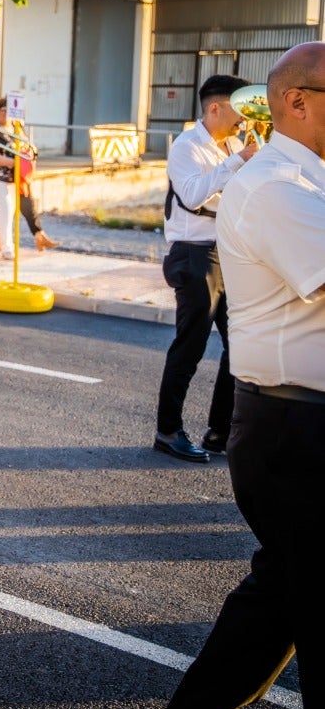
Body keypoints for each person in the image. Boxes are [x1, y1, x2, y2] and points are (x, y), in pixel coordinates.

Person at [154, 42, 325, 709]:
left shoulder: (307, 180)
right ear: (297, 102)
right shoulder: (281, 186)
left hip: (295, 421)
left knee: (279, 599)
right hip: (298, 427)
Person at [151, 75, 255, 463]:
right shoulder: (186, 146)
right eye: (240, 109)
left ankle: (220, 431)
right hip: (193, 253)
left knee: (240, 344)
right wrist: (237, 161)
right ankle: (168, 431)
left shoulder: (231, 143)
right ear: (215, 108)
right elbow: (194, 194)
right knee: (190, 346)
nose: (245, 118)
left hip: (225, 251)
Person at [0, 99, 60, 254]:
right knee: (5, 208)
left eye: (8, 111)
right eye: (2, 110)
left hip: (15, 177)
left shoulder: (16, 128)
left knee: (5, 210)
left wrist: (27, 156)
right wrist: (14, 162)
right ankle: (6, 247)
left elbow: (27, 147)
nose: (5, 114)